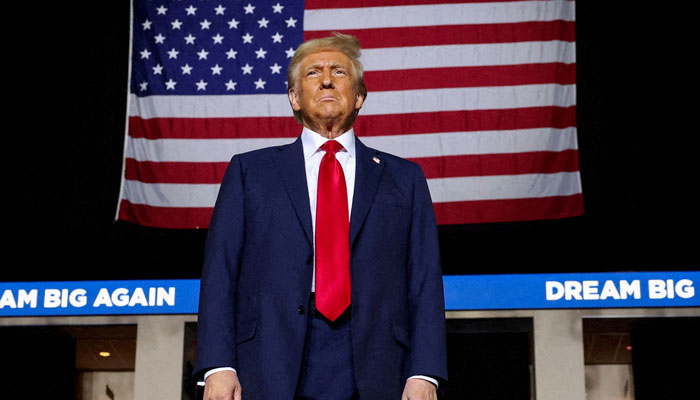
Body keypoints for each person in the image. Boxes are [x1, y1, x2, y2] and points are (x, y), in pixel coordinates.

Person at [194, 33, 447, 400]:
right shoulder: (250, 172)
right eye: (313, 73)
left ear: (359, 96)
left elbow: (424, 282)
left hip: (378, 362)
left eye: (339, 71)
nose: (327, 79)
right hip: (269, 358)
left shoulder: (404, 179)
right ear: (294, 98)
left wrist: (424, 372)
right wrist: (219, 365)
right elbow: (220, 272)